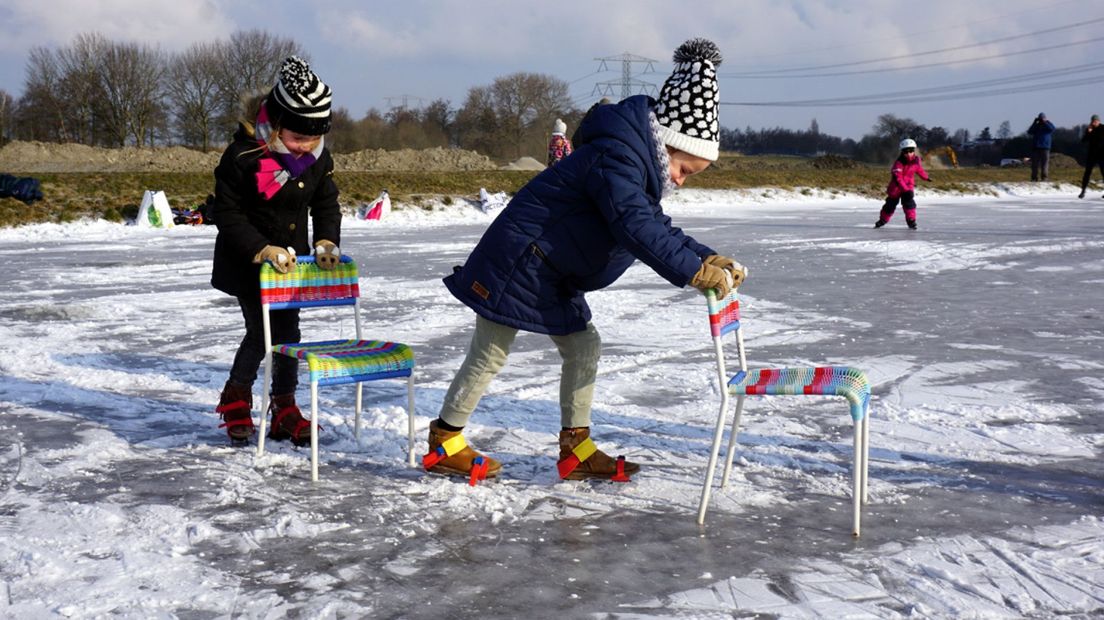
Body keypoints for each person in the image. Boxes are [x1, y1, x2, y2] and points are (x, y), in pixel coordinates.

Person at [425, 38, 744, 483]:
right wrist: (692, 271)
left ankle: (575, 449)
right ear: (667, 146)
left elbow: (656, 224)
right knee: (491, 350)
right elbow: (635, 226)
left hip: (551, 269)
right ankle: (445, 441)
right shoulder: (616, 159)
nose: (681, 181)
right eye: (684, 170)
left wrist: (707, 256)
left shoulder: (634, 167)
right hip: (519, 260)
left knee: (583, 347)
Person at [209, 56, 342, 446]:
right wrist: (261, 249)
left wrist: (326, 240)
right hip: (249, 263)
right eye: (298, 138)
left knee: (289, 334)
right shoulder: (242, 155)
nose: (306, 148)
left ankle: (284, 406)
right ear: (276, 124)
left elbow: (326, 203)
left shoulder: (317, 159)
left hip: (292, 265)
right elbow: (227, 213)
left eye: (313, 139)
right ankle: (236, 396)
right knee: (262, 334)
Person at [874, 138, 931, 230]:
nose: (908, 154)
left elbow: (919, 170)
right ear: (902, 152)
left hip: (908, 187)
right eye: (906, 151)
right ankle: (883, 220)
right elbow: (898, 178)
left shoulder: (916, 161)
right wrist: (906, 190)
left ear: (914, 151)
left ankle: (911, 221)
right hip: (896, 189)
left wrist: (926, 177)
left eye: (911, 151)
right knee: (889, 206)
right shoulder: (898, 163)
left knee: (909, 205)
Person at [1079, 114, 1103, 199]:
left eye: (1096, 121)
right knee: (1087, 173)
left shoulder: (1103, 128)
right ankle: (1083, 191)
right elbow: (1083, 140)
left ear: (1099, 121)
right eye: (1093, 121)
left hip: (1102, 154)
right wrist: (1088, 132)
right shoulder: (1090, 129)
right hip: (1092, 155)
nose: (1094, 123)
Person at [1027, 112, 1056, 182]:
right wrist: (1034, 123)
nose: (1041, 120)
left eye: (1042, 118)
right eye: (1040, 118)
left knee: (1045, 163)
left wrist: (1045, 122)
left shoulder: (1048, 124)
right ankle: (1034, 178)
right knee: (1034, 164)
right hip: (1036, 147)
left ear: (1045, 118)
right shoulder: (1036, 125)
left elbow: (1052, 129)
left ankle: (1044, 178)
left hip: (1045, 147)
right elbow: (1029, 131)